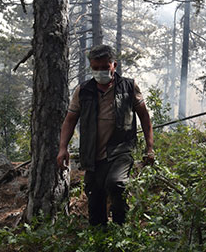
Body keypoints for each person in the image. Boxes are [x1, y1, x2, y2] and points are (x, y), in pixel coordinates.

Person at [57, 45, 154, 226]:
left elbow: (144, 117)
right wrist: (63, 148)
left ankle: (121, 229)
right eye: (96, 68)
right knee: (95, 198)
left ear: (114, 65)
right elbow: (70, 120)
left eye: (105, 67)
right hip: (93, 154)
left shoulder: (128, 86)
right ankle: (99, 238)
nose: (101, 72)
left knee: (116, 183)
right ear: (91, 68)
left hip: (121, 150)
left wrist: (150, 147)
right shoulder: (83, 91)